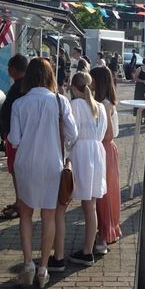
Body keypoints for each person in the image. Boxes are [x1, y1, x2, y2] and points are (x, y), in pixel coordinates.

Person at [8, 58, 78, 287]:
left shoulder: (19, 103)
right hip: (51, 163)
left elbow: (15, 140)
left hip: (26, 164)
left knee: (25, 214)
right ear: (50, 76)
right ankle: (43, 268)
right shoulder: (61, 101)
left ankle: (28, 263)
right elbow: (73, 134)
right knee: (49, 217)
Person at [57, 71, 107, 268]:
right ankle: (88, 249)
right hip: (96, 151)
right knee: (90, 205)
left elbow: (71, 133)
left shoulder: (74, 105)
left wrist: (68, 149)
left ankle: (61, 252)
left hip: (81, 153)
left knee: (64, 200)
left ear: (74, 87)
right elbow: (103, 132)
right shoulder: (100, 107)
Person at [89, 66, 122, 254]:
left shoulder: (106, 104)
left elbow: (109, 135)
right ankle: (104, 231)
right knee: (101, 193)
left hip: (105, 149)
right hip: (102, 149)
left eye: (92, 79)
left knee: (104, 194)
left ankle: (103, 234)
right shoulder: (101, 102)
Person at [0, 54, 28, 220]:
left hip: (15, 138)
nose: (8, 71)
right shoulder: (22, 86)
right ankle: (20, 201)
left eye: (9, 68)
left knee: (17, 171)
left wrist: (8, 135)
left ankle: (20, 203)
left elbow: (11, 113)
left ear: (14, 69)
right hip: (15, 136)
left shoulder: (19, 88)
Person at [132, 57, 145, 124]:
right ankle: (139, 118)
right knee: (139, 102)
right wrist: (142, 81)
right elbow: (135, 78)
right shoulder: (139, 69)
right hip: (140, 88)